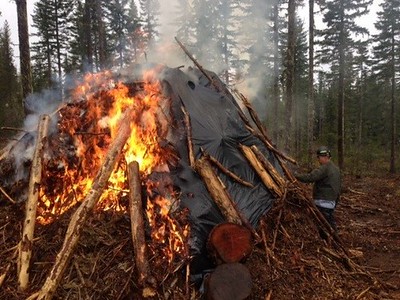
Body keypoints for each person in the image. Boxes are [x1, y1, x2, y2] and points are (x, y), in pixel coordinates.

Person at [295, 146, 341, 239]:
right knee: (329, 222)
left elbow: (310, 177)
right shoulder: (336, 169)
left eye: (319, 157)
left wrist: (295, 176)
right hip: (331, 202)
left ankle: (332, 241)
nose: (319, 160)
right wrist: (335, 201)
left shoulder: (325, 168)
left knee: (323, 225)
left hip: (323, 202)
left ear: (324, 156)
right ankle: (333, 239)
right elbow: (338, 188)